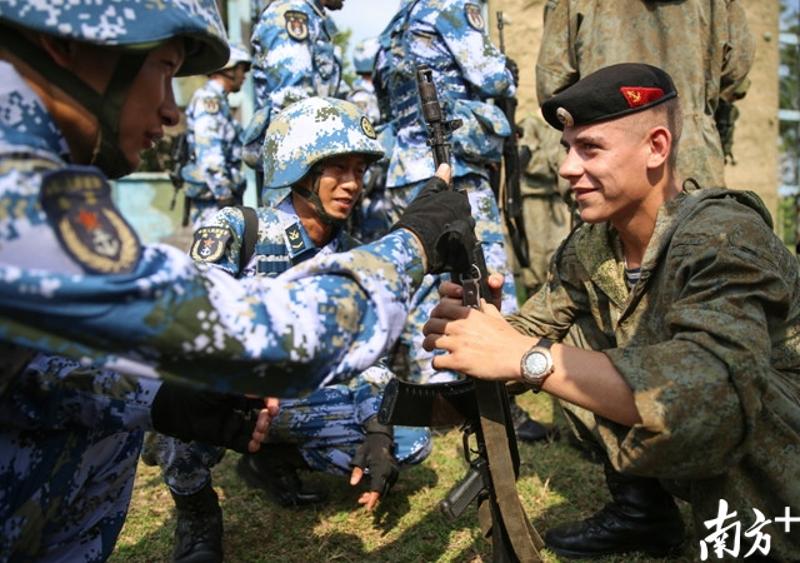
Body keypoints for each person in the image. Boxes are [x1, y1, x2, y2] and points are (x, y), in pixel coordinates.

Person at [423, 63, 800, 560]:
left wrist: (526, 356)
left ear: (657, 147)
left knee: (729, 387)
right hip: (703, 444)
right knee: (575, 340)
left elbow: (714, 397)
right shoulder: (594, 246)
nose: (566, 168)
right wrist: (484, 328)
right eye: (567, 148)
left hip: (774, 446)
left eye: (591, 148)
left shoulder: (723, 238)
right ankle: (643, 512)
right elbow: (533, 332)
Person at [0, 1, 470, 399]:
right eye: (163, 69)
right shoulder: (14, 192)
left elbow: (43, 382)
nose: (169, 109)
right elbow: (257, 339)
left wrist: (163, 410)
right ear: (65, 44)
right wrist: (412, 241)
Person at [150, 98, 431, 561]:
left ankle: (271, 458)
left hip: (295, 398)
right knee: (185, 388)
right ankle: (196, 508)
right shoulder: (237, 230)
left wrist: (379, 429)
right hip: (227, 399)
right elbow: (190, 330)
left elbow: (367, 360)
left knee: (409, 440)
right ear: (298, 169)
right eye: (337, 168)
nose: (353, 184)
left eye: (360, 170)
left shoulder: (351, 257)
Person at [374, 0, 518, 384]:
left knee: (422, 285)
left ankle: (435, 386)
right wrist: (507, 67)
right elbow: (494, 77)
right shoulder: (449, 6)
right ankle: (501, 385)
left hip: (404, 170)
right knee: (485, 273)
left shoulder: (395, 23)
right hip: (452, 165)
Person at [536, 0, 755, 189]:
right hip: (692, 162)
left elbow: (553, 82)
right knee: (695, 235)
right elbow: (736, 70)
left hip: (603, 167)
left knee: (602, 237)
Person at [244, 0, 346, 205]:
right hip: (296, 161)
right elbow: (292, 105)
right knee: (290, 232)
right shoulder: (292, 13)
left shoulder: (314, 17)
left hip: (313, 158)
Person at [182, 43, 251, 229]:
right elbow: (210, 153)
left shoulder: (219, 101)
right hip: (215, 200)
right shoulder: (208, 100)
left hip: (220, 195)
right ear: (229, 69)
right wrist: (224, 195)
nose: (244, 76)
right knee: (213, 254)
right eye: (242, 69)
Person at [516, 113, 573, 295]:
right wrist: (551, 163)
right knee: (536, 259)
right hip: (534, 198)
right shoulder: (532, 123)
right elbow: (524, 160)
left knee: (560, 254)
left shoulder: (565, 123)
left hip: (558, 199)